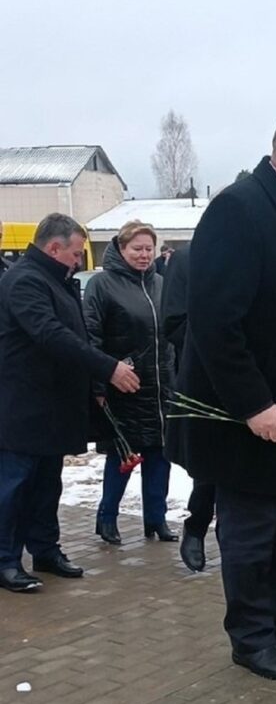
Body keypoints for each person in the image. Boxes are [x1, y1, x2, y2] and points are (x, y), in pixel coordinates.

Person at [168, 106, 276, 681]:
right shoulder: (239, 210)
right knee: (253, 530)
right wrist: (253, 403)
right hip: (251, 417)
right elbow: (216, 323)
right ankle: (250, 637)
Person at [0, 213, 140, 592]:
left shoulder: (56, 280)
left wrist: (95, 382)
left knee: (47, 486)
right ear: (53, 247)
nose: (79, 261)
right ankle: (6, 560)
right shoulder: (25, 281)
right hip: (22, 407)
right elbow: (51, 334)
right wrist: (107, 367)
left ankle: (45, 550)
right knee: (14, 488)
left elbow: (77, 336)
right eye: (76, 254)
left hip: (52, 407)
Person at [83, 221, 178, 546]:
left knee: (160, 456)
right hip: (123, 387)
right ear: (121, 249)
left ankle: (157, 519)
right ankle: (107, 518)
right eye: (137, 248)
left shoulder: (161, 284)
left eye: (149, 249)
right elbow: (91, 335)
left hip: (160, 387)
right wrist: (100, 383)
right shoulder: (102, 285)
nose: (144, 255)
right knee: (121, 457)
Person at [160, 244, 215, 572]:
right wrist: (218, 340)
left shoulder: (258, 253)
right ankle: (196, 526)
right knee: (208, 467)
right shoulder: (186, 259)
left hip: (253, 374)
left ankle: (231, 535)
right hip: (202, 376)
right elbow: (173, 322)